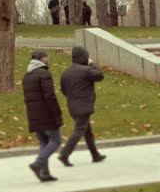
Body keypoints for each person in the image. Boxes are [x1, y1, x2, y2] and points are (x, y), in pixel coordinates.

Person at [57, 46, 106, 166]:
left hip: (72, 105)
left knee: (87, 131)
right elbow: (100, 76)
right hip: (83, 106)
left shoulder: (66, 72)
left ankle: (95, 155)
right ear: (84, 57)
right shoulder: (87, 70)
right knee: (79, 131)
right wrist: (92, 63)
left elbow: (63, 90)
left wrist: (73, 98)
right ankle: (64, 154)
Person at [22, 50, 63, 182]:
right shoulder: (44, 74)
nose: (48, 60)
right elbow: (50, 96)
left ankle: (44, 173)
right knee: (56, 140)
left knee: (44, 142)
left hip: (33, 115)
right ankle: (38, 163)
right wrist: (57, 112)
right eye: (47, 58)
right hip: (46, 114)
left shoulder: (27, 76)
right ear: (42, 59)